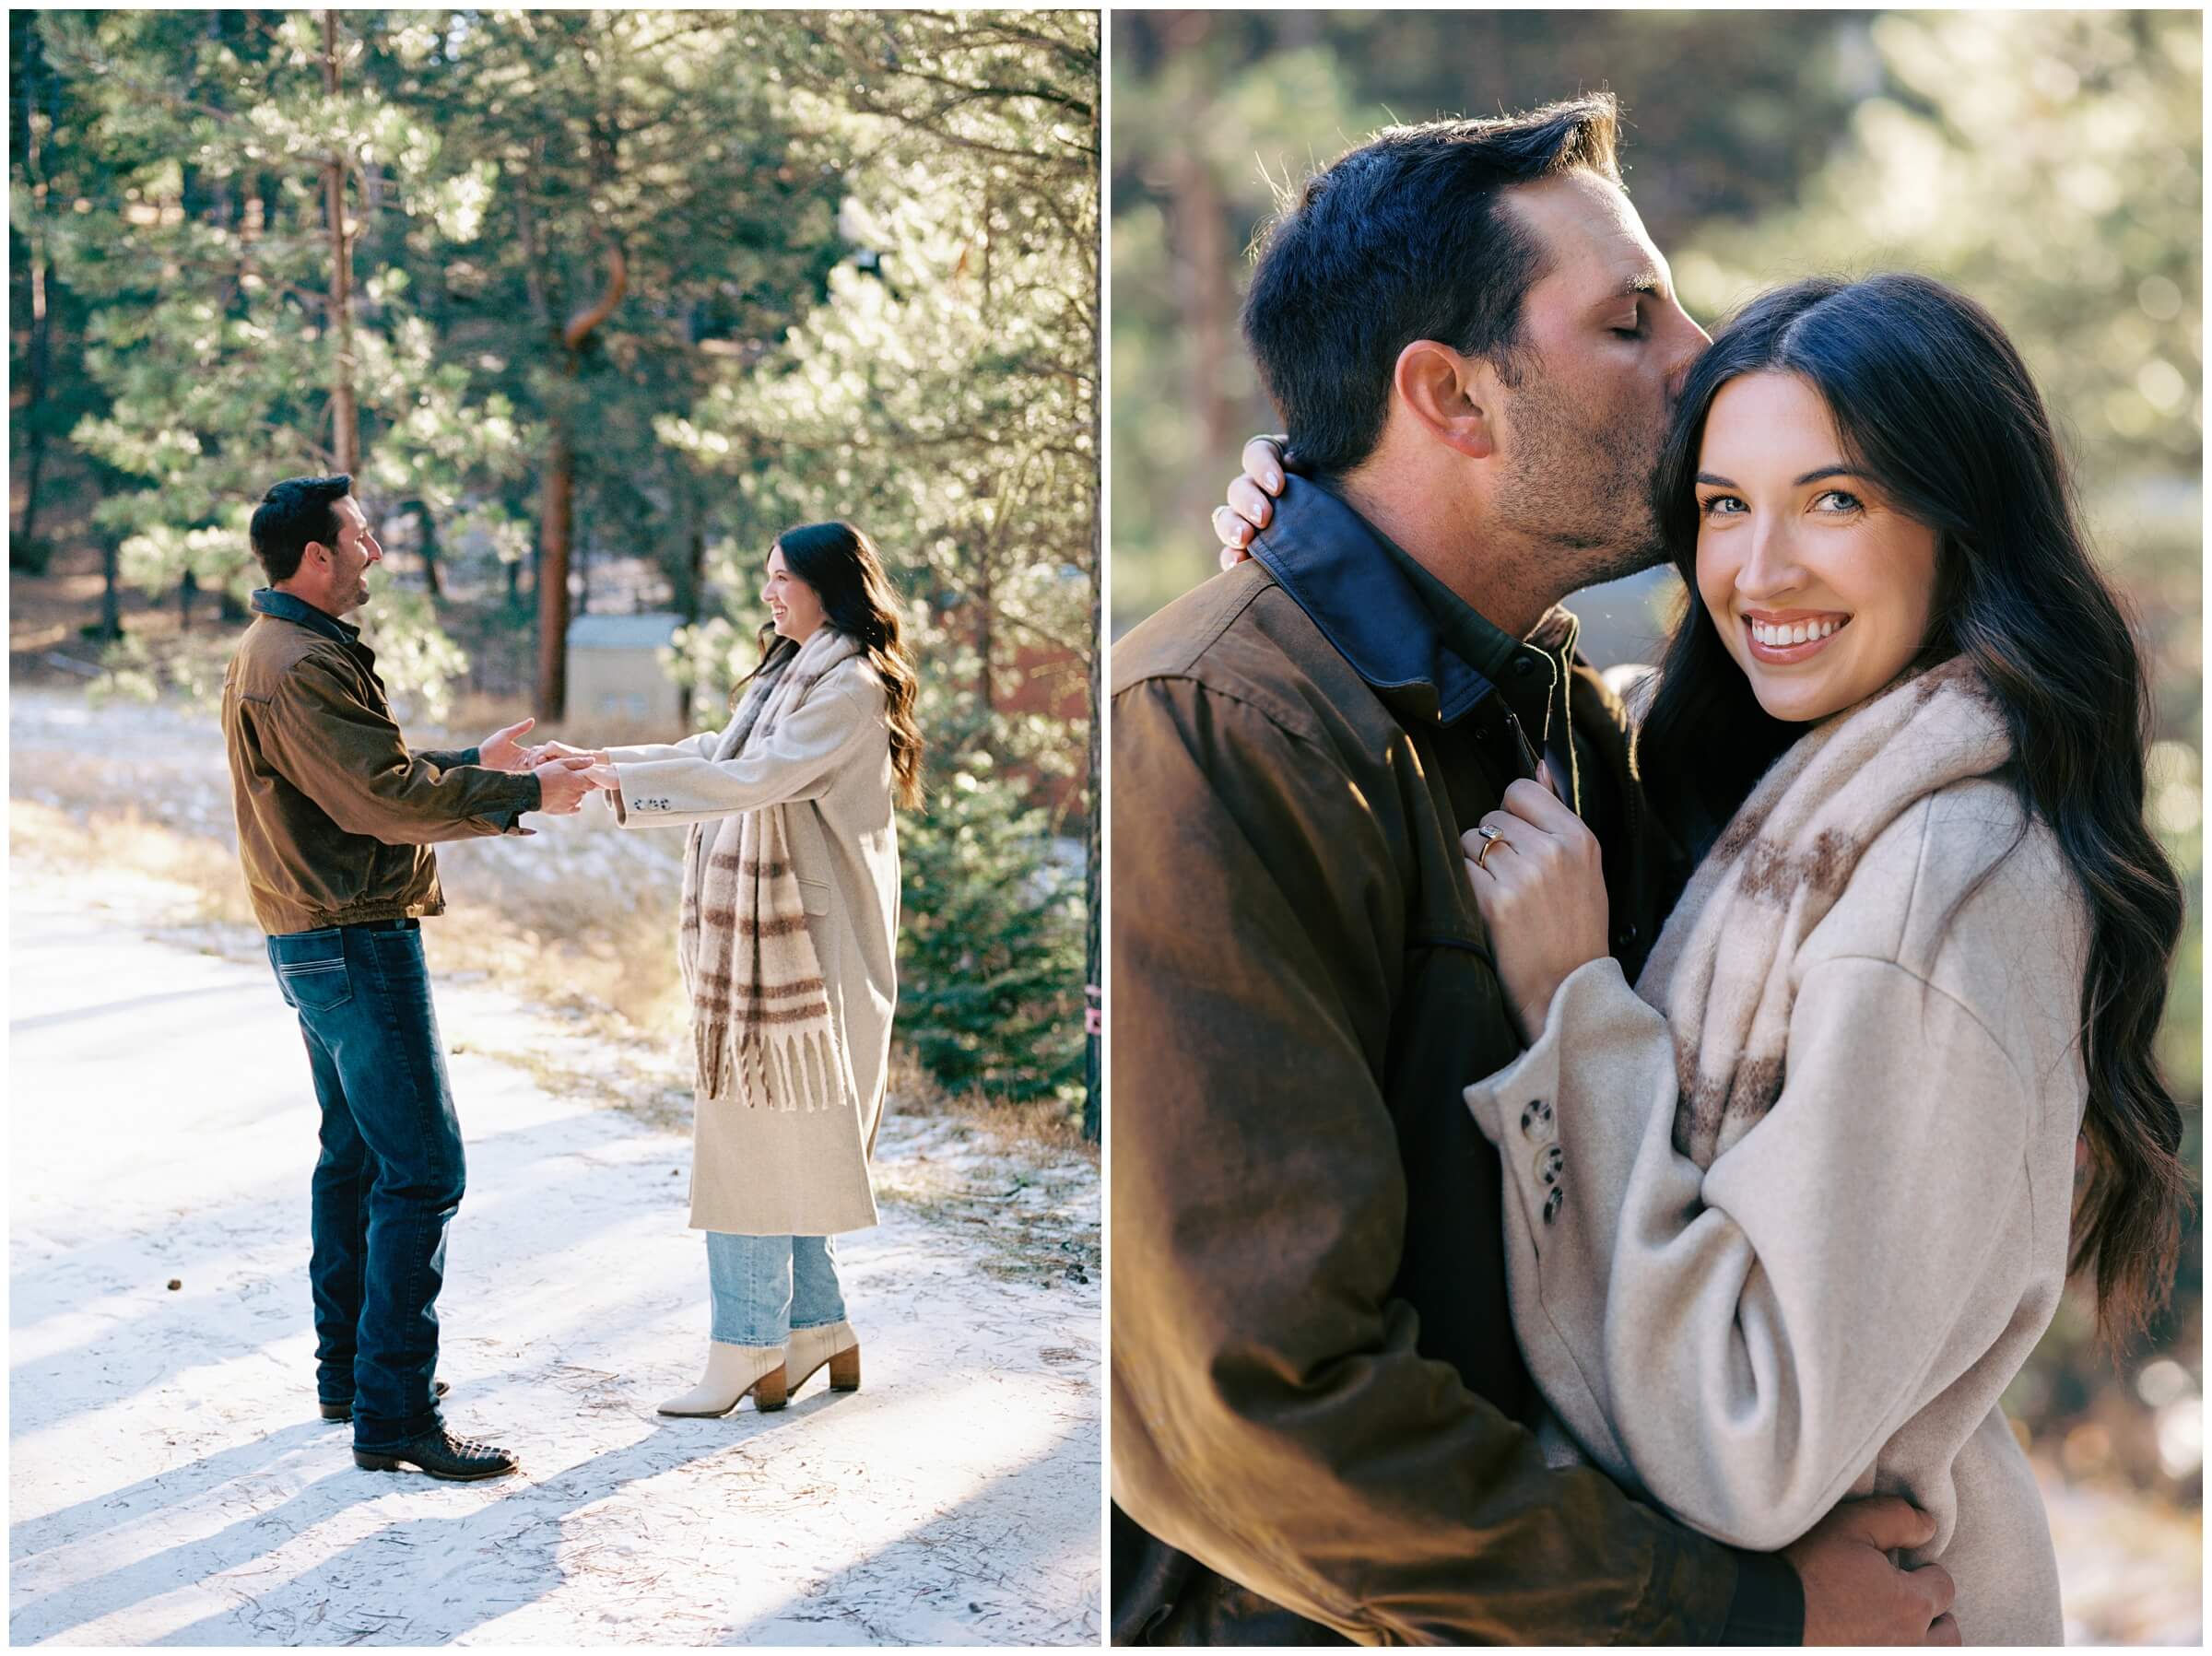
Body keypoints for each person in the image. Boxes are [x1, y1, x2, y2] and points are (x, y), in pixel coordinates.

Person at [1224, 274, 2190, 1642]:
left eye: (1836, 500)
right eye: (1727, 505)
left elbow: (1753, 1435)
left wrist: (1573, 1007)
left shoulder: (1936, 875)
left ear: (1961, 524)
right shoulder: (1798, 802)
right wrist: (1320, 529)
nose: (1760, 569)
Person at [1112, 97, 1956, 1644]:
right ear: (1450, 395)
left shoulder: (1548, 704)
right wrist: (1746, 1614)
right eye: (1632, 322)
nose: (1706, 357)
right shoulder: (1214, 735)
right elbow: (1263, 1408)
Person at [222, 473, 602, 1481]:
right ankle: (393, 1412)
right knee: (425, 1171)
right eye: (358, 535)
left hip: (316, 931)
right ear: (315, 555)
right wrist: (524, 792)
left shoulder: (284, 650)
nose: (374, 551)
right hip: (351, 935)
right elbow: (379, 800)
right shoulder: (297, 660)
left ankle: (349, 1375)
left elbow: (356, 769)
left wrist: (470, 758)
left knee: (354, 1156)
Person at [542, 523, 921, 1417]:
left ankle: (748, 1344)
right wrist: (603, 766)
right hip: (776, 945)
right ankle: (817, 1327)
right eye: (765, 576)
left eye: (781, 579)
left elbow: (756, 780)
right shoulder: (800, 671)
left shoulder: (849, 688)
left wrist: (616, 783)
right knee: (779, 1145)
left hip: (808, 954)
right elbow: (724, 755)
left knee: (750, 1143)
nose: (767, 593)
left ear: (830, 588)